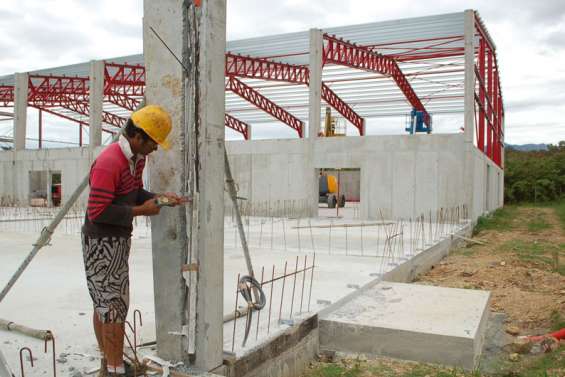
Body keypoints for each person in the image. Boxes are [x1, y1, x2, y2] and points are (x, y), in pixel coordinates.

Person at [81, 105, 183, 376]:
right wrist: (143, 211)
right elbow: (98, 211)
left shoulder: (136, 159)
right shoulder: (109, 162)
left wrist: (159, 199)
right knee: (112, 307)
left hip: (117, 240)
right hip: (101, 243)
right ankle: (115, 370)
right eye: (154, 143)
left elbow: (133, 192)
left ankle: (108, 362)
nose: (156, 149)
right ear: (139, 136)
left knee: (106, 304)